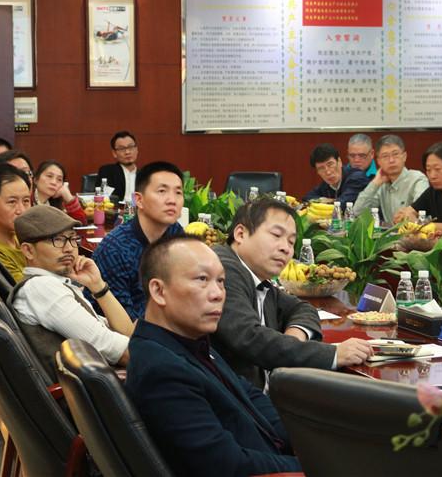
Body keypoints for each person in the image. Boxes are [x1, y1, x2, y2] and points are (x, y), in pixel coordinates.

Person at [125, 234, 302, 477]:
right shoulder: (162, 370)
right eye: (202, 279)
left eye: (220, 281)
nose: (218, 294)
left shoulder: (189, 343)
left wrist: (313, 445)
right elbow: (227, 465)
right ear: (159, 291)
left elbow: (252, 398)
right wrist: (317, 466)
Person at [213, 198, 372, 390]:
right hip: (237, 400)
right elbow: (250, 339)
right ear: (241, 234)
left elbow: (302, 308)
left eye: (291, 241)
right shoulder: (222, 270)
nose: (286, 248)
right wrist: (334, 354)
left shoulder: (254, 274)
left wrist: (294, 338)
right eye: (276, 235)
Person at [12, 205, 134, 370]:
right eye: (57, 240)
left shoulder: (55, 282)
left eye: (72, 238)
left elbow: (127, 333)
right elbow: (116, 349)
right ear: (28, 251)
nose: (69, 248)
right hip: (93, 384)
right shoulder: (41, 288)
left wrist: (98, 286)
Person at [93, 161, 184, 320]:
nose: (172, 200)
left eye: (178, 192)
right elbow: (122, 319)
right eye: (162, 191)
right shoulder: (114, 249)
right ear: (138, 200)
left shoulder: (175, 232)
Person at [353, 135, 428, 222]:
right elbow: (357, 212)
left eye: (395, 154)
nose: (391, 160)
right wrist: (375, 183)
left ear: (404, 156)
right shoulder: (381, 184)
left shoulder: (418, 179)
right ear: (379, 161)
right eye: (385, 156)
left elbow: (422, 212)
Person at [302, 143, 369, 204]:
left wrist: (331, 201)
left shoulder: (357, 178)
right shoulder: (325, 185)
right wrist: (322, 200)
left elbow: (342, 204)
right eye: (321, 168)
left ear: (339, 161)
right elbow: (307, 198)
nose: (328, 172)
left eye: (330, 164)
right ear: (317, 172)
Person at [97, 131, 138, 203]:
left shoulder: (145, 175)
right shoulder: (107, 172)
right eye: (122, 149)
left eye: (130, 147)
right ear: (114, 153)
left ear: (136, 149)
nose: (127, 152)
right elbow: (102, 199)